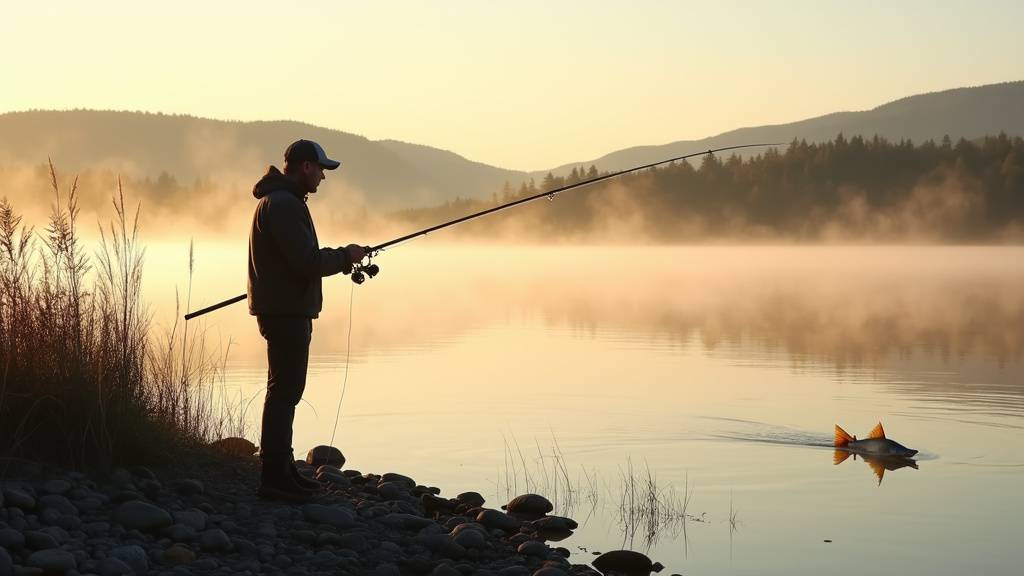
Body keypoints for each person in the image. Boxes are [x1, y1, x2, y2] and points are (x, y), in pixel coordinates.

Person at [247, 139, 365, 501]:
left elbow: (297, 261)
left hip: (284, 308)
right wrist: (346, 256)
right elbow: (306, 262)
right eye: (321, 170)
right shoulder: (283, 205)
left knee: (284, 391)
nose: (324, 178)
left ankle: (283, 469)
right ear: (305, 167)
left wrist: (341, 258)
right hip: (285, 313)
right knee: (284, 393)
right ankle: (274, 477)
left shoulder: (283, 201)